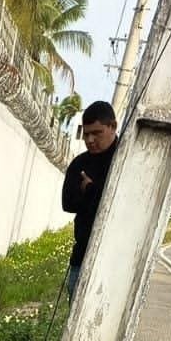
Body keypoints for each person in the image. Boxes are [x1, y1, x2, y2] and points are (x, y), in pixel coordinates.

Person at [62, 101, 119, 301]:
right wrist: (89, 194)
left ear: (113, 127)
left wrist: (91, 190)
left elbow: (120, 205)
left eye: (97, 133)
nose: (90, 140)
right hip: (82, 257)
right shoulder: (80, 163)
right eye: (86, 134)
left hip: (115, 262)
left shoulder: (125, 161)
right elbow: (68, 203)